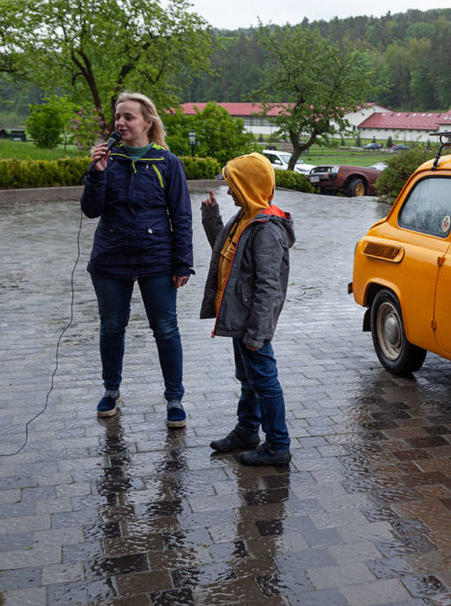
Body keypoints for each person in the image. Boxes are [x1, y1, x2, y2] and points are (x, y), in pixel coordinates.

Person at [80, 91, 193, 427]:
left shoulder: (167, 162)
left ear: (147, 122)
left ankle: (174, 398)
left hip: (156, 258)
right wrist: (96, 172)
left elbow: (181, 215)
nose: (120, 122)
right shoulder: (108, 160)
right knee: (112, 327)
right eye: (118, 116)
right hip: (110, 258)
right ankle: (111, 391)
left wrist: (182, 262)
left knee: (166, 329)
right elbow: (91, 210)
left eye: (128, 117)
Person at [202, 153, 295, 466]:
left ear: (249, 186)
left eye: (234, 185)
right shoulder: (244, 217)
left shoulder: (266, 228)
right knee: (248, 378)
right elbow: (226, 252)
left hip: (252, 323)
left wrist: (257, 332)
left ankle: (278, 445)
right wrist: (211, 219)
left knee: (264, 382)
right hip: (239, 316)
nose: (229, 191)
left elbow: (269, 287)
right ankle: (247, 430)